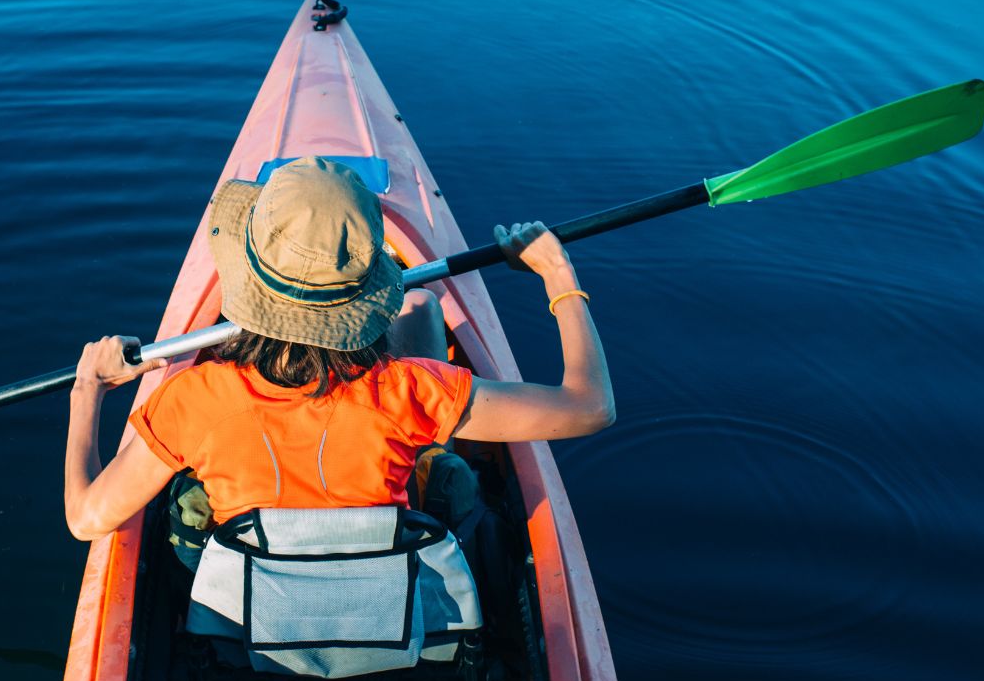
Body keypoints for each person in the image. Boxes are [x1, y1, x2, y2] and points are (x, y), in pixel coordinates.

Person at [62, 156, 614, 556]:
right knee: (422, 308)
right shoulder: (415, 391)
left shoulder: (191, 401)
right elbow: (590, 408)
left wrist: (88, 389)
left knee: (184, 498)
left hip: (249, 617)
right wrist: (557, 275)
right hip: (390, 610)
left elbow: (86, 519)